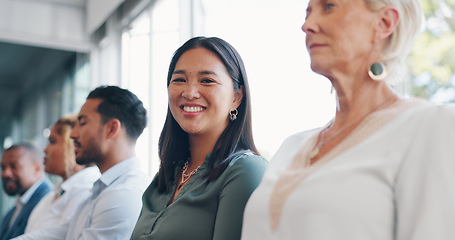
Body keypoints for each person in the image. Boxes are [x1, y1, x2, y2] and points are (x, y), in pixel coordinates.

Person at [242, 0, 455, 239]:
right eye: (308, 12)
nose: (307, 25)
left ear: (384, 23)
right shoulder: (291, 147)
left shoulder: (430, 126)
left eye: (329, 7)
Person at [130, 36, 268, 240]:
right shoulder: (167, 174)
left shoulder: (245, 171)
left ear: (236, 97)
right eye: (179, 80)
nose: (190, 92)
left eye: (207, 81)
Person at [13, 85, 151, 240]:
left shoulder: (123, 195)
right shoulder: (101, 190)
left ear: (111, 129)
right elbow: (55, 234)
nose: (73, 134)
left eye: (83, 123)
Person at [24, 115, 100, 233]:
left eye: (52, 141)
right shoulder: (56, 192)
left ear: (72, 145)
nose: (45, 150)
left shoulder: (87, 189)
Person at [0, 143, 52, 240]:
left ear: (37, 169)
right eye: (3, 167)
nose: (6, 173)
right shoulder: (17, 206)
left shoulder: (48, 200)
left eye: (14, 166)